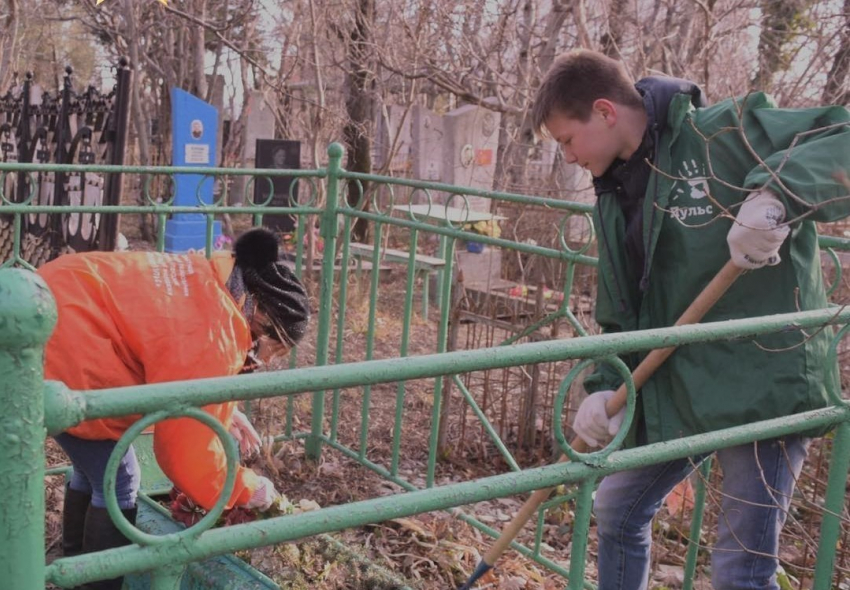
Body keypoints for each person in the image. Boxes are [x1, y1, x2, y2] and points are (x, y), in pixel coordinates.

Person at [531, 49, 850, 590]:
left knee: (740, 569)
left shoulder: (724, 132)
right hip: (677, 385)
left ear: (605, 111)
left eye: (567, 140)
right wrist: (604, 390)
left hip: (760, 384)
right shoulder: (612, 195)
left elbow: (840, 137)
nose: (567, 157)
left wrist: (779, 193)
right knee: (618, 510)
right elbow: (622, 311)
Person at [40, 227, 310, 590]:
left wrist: (226, 414)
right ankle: (93, 582)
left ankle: (71, 564)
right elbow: (185, 456)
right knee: (120, 481)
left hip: (53, 307)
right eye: (273, 350)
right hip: (64, 349)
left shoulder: (210, 283)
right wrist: (248, 489)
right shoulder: (215, 334)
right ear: (260, 316)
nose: (266, 361)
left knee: (94, 467)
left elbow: (172, 354)